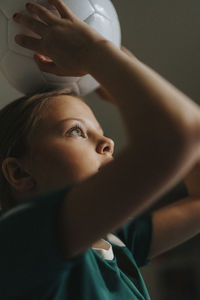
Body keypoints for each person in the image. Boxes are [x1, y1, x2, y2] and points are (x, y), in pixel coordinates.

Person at [0, 0, 200, 298]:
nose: (108, 143)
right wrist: (94, 55)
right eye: (77, 131)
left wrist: (122, 80)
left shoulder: (113, 242)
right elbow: (182, 135)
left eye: (101, 133)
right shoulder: (18, 239)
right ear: (19, 172)